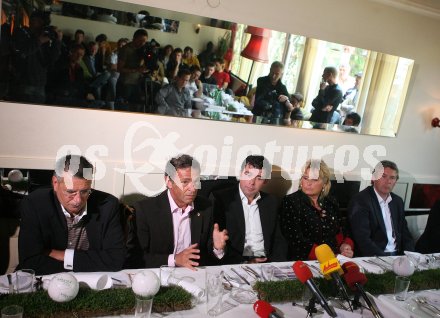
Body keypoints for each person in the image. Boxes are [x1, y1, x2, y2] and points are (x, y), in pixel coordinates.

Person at [18, 155, 126, 275]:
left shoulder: (107, 205)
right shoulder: (35, 204)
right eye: (70, 192)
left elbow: (116, 259)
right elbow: (29, 261)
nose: (78, 200)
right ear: (55, 183)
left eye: (85, 191)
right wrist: (88, 262)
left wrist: (62, 255)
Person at [126, 154, 228, 269]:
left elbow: (208, 256)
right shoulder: (144, 210)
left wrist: (217, 248)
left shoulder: (206, 207)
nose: (193, 188)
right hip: (160, 277)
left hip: (194, 275)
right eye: (185, 182)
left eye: (195, 181)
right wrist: (174, 259)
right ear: (168, 181)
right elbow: (135, 258)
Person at [212, 155, 287, 264]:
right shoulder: (221, 199)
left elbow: (278, 240)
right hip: (238, 263)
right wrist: (246, 262)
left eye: (259, 177)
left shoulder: (271, 202)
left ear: (265, 181)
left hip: (267, 263)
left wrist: (278, 265)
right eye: (248, 174)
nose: (251, 182)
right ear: (241, 173)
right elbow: (219, 243)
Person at [280, 160, 354, 260]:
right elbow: (295, 239)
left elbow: (342, 230)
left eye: (314, 180)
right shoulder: (291, 202)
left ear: (324, 183)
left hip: (337, 257)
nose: (308, 183)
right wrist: (327, 256)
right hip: (306, 260)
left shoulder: (331, 201)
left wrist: (345, 246)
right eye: (305, 178)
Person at [348, 160, 415, 256]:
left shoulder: (397, 201)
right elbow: (363, 240)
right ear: (373, 178)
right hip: (375, 256)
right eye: (383, 176)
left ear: (396, 181)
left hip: (398, 255)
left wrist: (410, 255)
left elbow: (405, 234)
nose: (388, 181)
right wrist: (385, 260)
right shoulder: (360, 201)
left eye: (392, 178)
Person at [10, 11, 62, 104]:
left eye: (42, 22)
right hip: (24, 83)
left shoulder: (44, 37)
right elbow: (22, 52)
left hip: (40, 85)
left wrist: (57, 42)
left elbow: (52, 59)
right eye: (37, 21)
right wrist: (39, 40)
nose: (39, 24)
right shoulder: (22, 32)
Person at [116, 29, 149, 111]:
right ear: (134, 38)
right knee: (123, 109)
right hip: (125, 83)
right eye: (140, 40)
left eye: (144, 41)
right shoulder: (125, 49)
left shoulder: (142, 49)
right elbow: (119, 69)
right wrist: (136, 70)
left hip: (137, 82)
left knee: (136, 108)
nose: (142, 43)